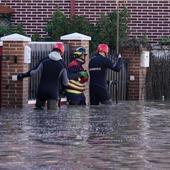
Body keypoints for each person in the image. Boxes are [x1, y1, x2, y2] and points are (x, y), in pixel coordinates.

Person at [17, 42, 69, 110]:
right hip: (53, 92)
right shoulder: (63, 65)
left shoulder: (44, 60)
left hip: (42, 90)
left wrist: (22, 75)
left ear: (52, 50)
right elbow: (65, 82)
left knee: (38, 114)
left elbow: (34, 72)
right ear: (62, 52)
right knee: (52, 115)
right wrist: (62, 90)